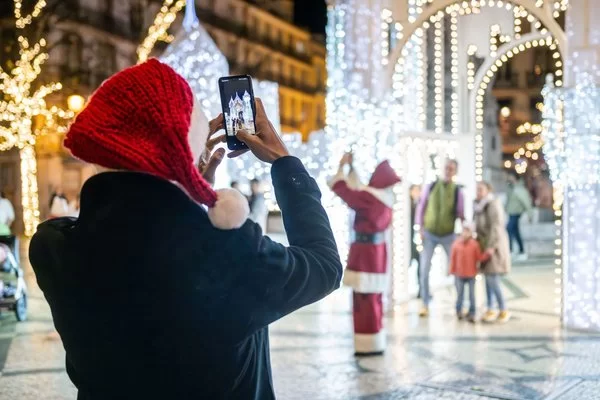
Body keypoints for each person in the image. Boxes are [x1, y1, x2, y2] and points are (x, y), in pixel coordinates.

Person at [29, 59, 342, 400]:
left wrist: (185, 194)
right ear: (186, 148)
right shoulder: (227, 254)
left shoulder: (53, 248)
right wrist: (284, 162)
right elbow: (324, 266)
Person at [329, 153, 401, 356]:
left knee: (363, 300)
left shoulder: (370, 199)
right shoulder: (383, 199)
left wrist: (341, 167)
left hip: (364, 255)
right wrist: (352, 170)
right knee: (374, 298)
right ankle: (375, 341)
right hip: (377, 254)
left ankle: (366, 345)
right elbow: (359, 190)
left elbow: (344, 190)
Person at [415, 159, 465, 317]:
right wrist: (420, 228)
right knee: (424, 269)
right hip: (429, 233)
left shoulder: (457, 191)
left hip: (448, 235)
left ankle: (460, 305)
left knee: (457, 269)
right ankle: (425, 303)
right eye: (446, 167)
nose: (448, 170)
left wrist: (464, 233)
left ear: (455, 171)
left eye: (451, 168)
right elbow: (421, 207)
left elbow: (461, 213)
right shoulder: (430, 186)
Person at [474, 181, 512, 324]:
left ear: (488, 190)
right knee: (488, 278)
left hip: (494, 246)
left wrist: (491, 247)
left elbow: (496, 227)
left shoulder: (493, 204)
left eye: (481, 189)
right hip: (484, 245)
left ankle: (503, 309)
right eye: (477, 189)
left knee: (493, 278)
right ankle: (490, 308)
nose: (478, 192)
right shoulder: (479, 206)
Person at [449, 222, 489, 323]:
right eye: (464, 231)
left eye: (468, 231)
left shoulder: (474, 245)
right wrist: (451, 270)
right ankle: (458, 311)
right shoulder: (456, 244)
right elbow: (453, 259)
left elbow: (479, 257)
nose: (465, 233)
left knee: (472, 295)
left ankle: (472, 313)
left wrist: (488, 254)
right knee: (459, 294)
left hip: (471, 274)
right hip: (459, 274)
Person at [505, 172, 532, 260]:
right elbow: (509, 201)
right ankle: (520, 251)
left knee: (509, 229)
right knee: (515, 232)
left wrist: (530, 214)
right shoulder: (511, 188)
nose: (508, 178)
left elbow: (526, 202)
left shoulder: (520, 189)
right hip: (511, 212)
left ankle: (512, 250)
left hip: (516, 213)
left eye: (510, 176)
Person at [409, 184, 422, 298]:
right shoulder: (408, 205)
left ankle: (420, 289)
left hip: (417, 240)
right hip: (409, 240)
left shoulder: (420, 205)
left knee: (420, 264)